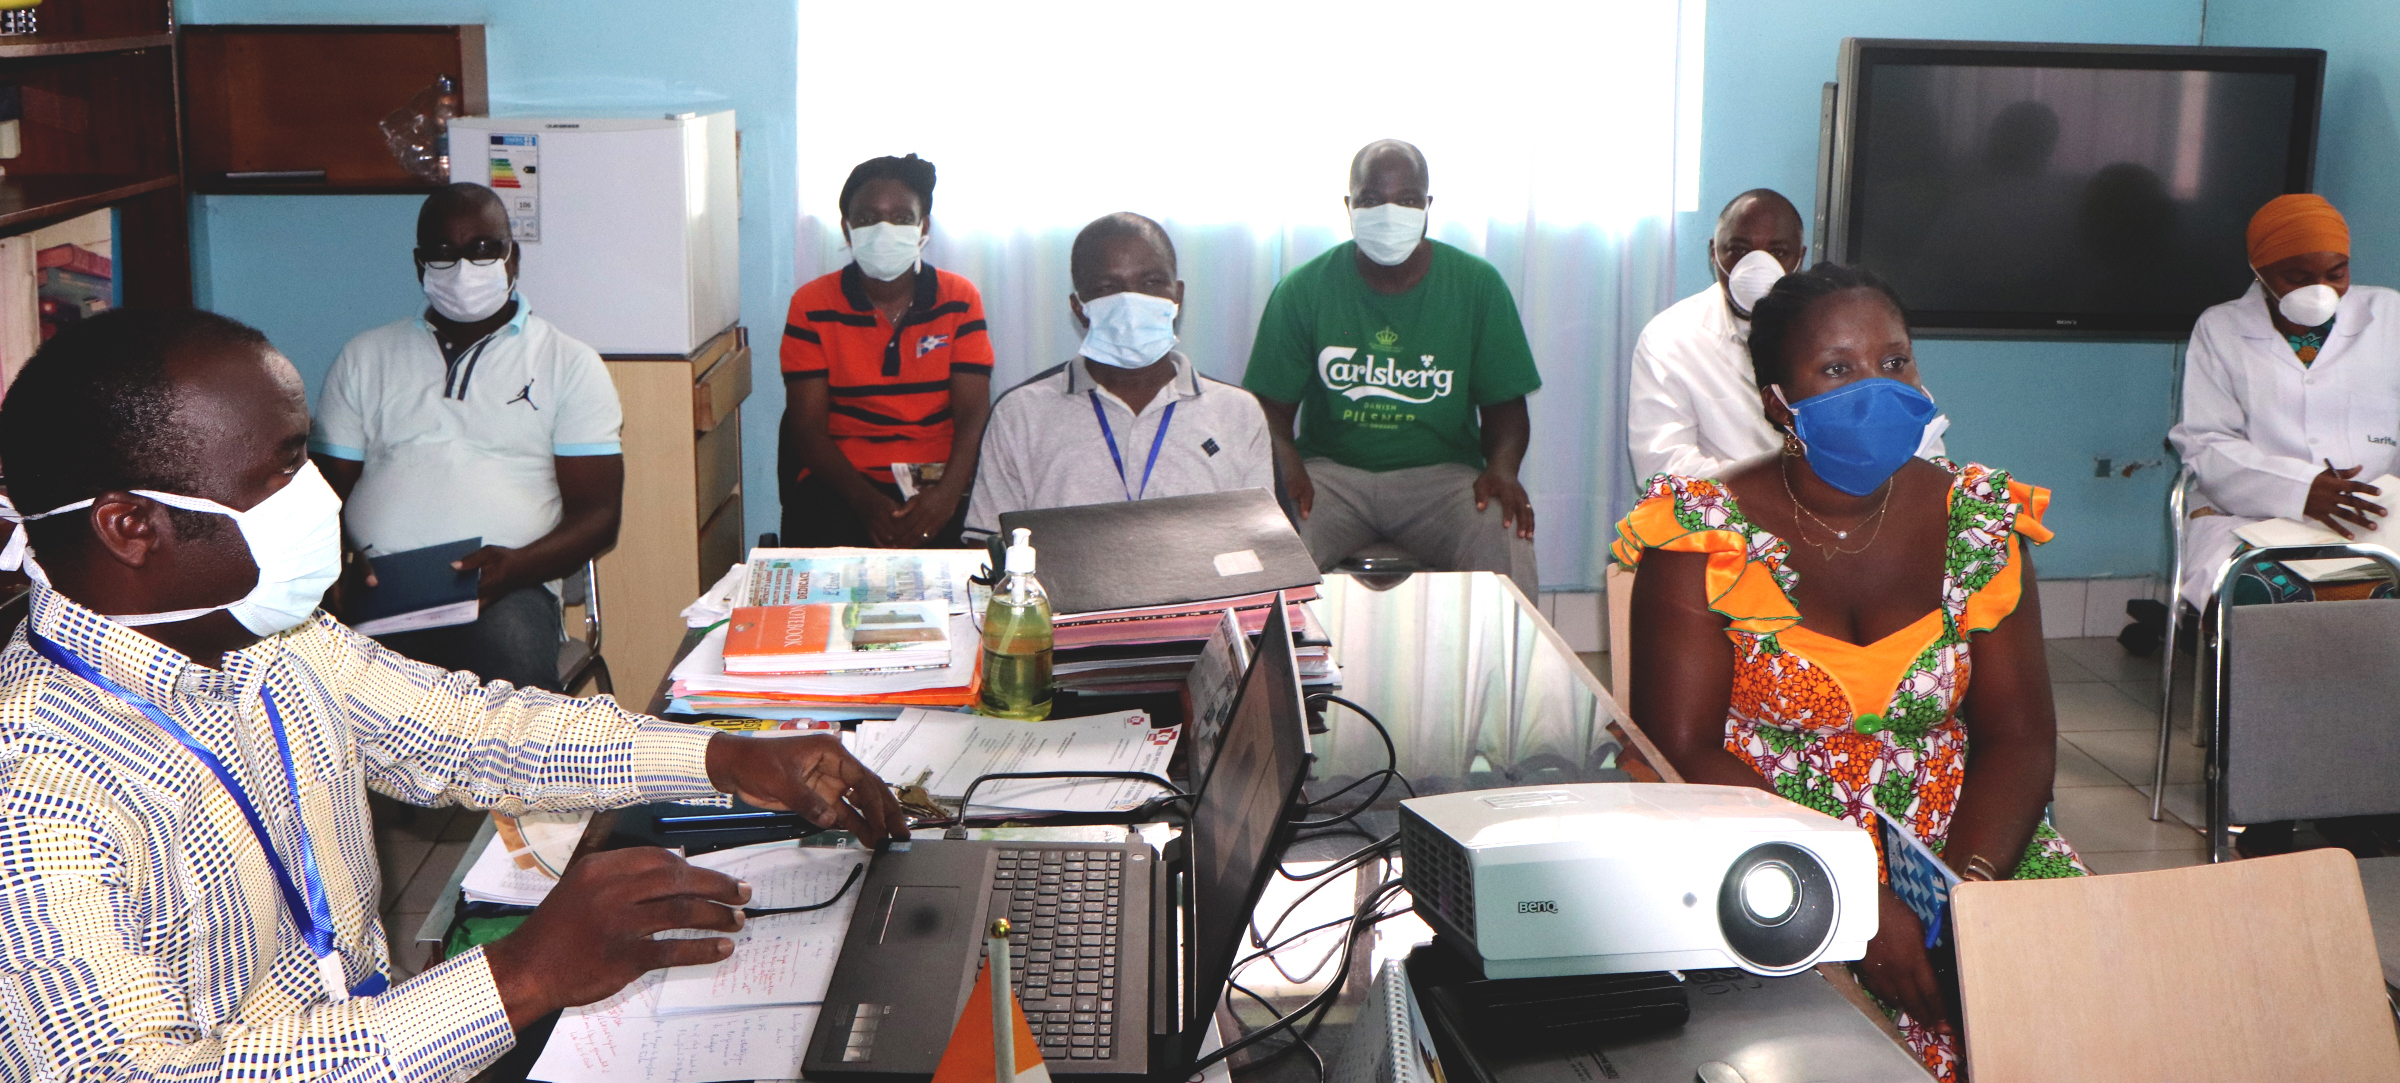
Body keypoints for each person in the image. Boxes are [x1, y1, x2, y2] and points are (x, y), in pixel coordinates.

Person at [0, 308, 909, 1082]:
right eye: (281, 469)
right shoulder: (33, 787)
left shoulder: (269, 645)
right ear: (132, 526)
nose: (322, 495)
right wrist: (517, 976)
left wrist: (721, 756)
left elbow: (474, 735)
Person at [1615, 264, 2083, 1083]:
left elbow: (2019, 737)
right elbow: (1680, 745)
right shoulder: (1700, 536)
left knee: (2076, 1018)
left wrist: (1959, 901)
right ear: (1777, 400)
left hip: (1963, 840)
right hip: (1769, 850)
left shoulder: (1980, 523)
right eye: (1837, 369)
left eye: (1894, 361)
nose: (1876, 387)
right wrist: (1853, 897)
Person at [311, 183, 622, 692]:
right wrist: (335, 568)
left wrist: (515, 567)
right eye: (443, 253)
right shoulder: (365, 356)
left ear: (511, 258)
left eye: (482, 249)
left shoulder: (568, 363)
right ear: (419, 265)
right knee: (318, 683)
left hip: (508, 587)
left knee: (509, 683)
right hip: (382, 585)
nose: (463, 268)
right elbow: (321, 494)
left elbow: (599, 518)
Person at [1243, 139, 1542, 596]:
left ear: (1427, 206)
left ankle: (1504, 667)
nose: (1388, 212)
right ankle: (1268, 668)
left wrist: (1502, 468)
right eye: (1370, 199)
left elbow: (1505, 409)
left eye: (1406, 200)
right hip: (1331, 477)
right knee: (1265, 545)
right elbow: (1268, 409)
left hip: (1442, 479)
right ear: (1348, 206)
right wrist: (1286, 468)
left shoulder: (1477, 285)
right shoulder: (1303, 289)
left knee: (1504, 533)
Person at [966, 213, 1271, 536]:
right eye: (1106, 287)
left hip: (1203, 586)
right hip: (1063, 587)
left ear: (1177, 296)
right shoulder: (1020, 414)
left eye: (1151, 282)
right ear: (1079, 308)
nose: (1130, 302)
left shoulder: (1239, 412)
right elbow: (988, 546)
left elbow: (1261, 547)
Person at [2169, 194, 2400, 609]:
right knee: (2264, 594)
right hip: (2249, 518)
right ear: (2259, 271)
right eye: (2297, 277)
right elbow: (2205, 442)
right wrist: (2301, 489)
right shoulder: (2221, 328)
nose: (2321, 291)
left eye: (2337, 273)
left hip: (2378, 520)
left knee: (2383, 591)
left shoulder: (2390, 315)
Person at [1628, 189, 1948, 482]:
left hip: (1850, 514)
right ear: (1714, 254)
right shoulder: (1670, 338)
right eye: (1738, 250)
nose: (1756, 266)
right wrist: (1783, 491)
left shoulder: (1837, 327)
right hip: (1728, 525)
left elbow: (1914, 441)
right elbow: (1664, 470)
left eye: (1778, 252)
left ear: (1800, 256)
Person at [781, 154, 993, 548]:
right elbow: (807, 431)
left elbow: (972, 413)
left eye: (900, 218)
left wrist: (945, 497)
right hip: (844, 483)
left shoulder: (959, 299)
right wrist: (867, 503)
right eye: (866, 219)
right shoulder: (811, 305)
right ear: (847, 231)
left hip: (940, 480)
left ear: (922, 227)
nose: (883, 231)